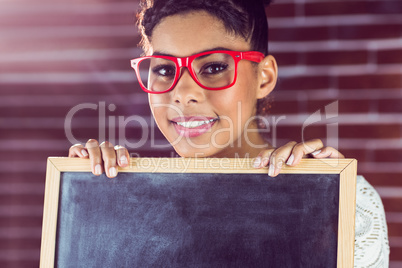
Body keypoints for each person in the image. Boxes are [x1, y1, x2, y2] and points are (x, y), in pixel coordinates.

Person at [68, 0, 389, 266]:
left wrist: (320, 207)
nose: (182, 93)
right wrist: (87, 204)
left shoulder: (347, 205)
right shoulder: (125, 202)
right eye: (164, 69)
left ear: (264, 77)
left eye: (213, 67)